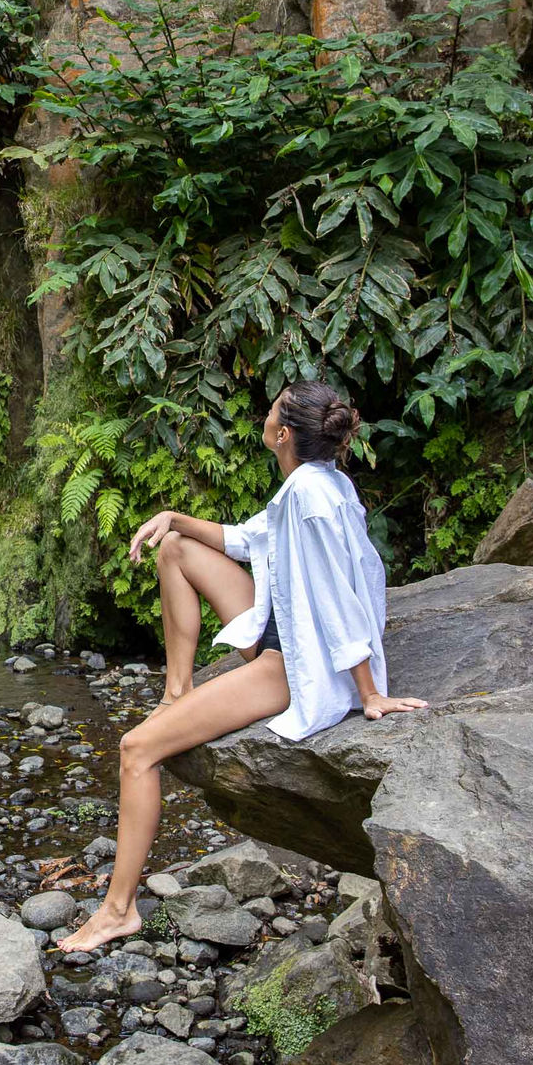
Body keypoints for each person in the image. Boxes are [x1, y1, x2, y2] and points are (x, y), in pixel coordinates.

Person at [55, 379, 428, 954]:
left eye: (272, 409)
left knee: (137, 750)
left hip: (292, 662)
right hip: (278, 626)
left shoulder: (311, 495)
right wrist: (172, 517)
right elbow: (247, 540)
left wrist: (368, 692)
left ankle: (117, 910)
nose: (265, 412)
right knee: (176, 548)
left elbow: (339, 597)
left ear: (282, 434)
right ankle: (177, 691)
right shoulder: (314, 482)